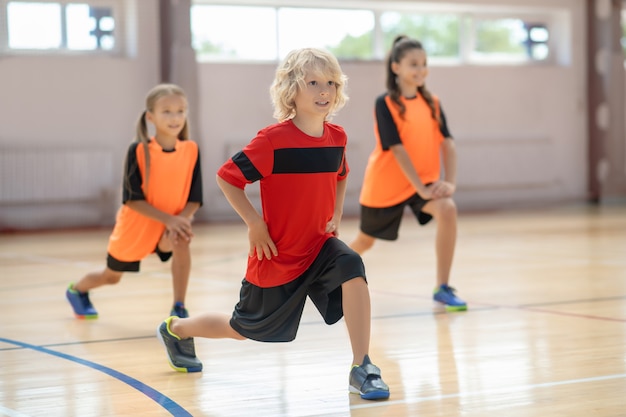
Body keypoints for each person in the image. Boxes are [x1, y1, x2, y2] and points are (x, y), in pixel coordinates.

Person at [156, 48, 390, 401]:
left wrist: (338, 213)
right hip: (277, 256)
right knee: (240, 329)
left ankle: (363, 366)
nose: (323, 90)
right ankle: (177, 329)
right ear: (291, 89)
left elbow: (341, 174)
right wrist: (255, 224)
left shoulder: (336, 137)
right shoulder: (272, 141)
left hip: (318, 247)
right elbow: (227, 178)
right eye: (313, 82)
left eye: (330, 82)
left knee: (352, 266)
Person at [66, 83, 203, 320]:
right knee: (111, 277)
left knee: (182, 242)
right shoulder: (138, 150)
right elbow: (132, 200)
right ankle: (77, 290)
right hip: (136, 226)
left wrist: (181, 220)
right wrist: (171, 219)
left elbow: (195, 197)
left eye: (181, 110)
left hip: (169, 225)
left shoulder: (191, 150)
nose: (175, 117)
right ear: (150, 117)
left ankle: (179, 307)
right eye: (167, 111)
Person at [349, 35, 467, 311]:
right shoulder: (385, 103)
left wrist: (449, 183)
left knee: (447, 209)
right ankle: (325, 274)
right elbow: (397, 150)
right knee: (365, 241)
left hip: (422, 183)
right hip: (386, 185)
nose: (421, 70)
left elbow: (448, 144)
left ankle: (443, 287)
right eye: (414, 64)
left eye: (424, 64)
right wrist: (423, 189)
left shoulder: (433, 103)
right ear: (396, 67)